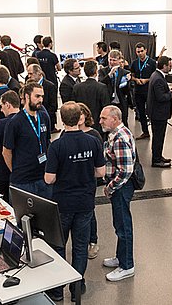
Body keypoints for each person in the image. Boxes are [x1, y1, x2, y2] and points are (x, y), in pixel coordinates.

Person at [45, 102, 106, 302]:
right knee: (80, 247)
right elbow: (101, 172)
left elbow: (49, 179)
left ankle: (56, 290)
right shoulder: (93, 141)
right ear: (80, 117)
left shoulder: (57, 145)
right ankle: (77, 288)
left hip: (62, 204)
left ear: (62, 120)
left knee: (59, 246)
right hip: (85, 202)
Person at [99, 106, 136, 282]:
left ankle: (127, 266)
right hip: (118, 186)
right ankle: (121, 257)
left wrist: (110, 187)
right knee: (119, 224)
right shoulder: (115, 133)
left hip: (121, 188)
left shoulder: (120, 138)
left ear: (115, 118)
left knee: (123, 227)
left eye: (103, 118)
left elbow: (126, 170)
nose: (100, 121)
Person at [3, 82, 52, 199]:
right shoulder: (15, 122)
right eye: (37, 96)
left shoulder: (44, 117)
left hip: (43, 177)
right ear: (26, 96)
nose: (40, 100)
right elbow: (6, 152)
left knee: (46, 215)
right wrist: (16, 171)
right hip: (23, 181)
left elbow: (47, 142)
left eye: (42, 96)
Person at [76, 102, 104, 260]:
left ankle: (93, 241)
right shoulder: (67, 134)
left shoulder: (94, 135)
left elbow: (99, 160)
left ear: (86, 116)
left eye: (82, 114)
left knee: (89, 211)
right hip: (72, 181)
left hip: (88, 180)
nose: (79, 117)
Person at [147, 55, 172, 168]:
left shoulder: (156, 75)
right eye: (169, 66)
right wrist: (171, 93)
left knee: (158, 137)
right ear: (164, 66)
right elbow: (161, 97)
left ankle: (158, 156)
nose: (171, 68)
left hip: (156, 113)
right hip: (158, 114)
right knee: (158, 137)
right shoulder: (158, 78)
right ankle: (156, 160)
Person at [73, 60, 111, 134]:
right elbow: (106, 106)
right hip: (98, 124)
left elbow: (74, 105)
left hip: (81, 124)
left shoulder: (77, 87)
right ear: (96, 72)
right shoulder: (102, 87)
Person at [129, 43, 157, 140]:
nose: (140, 53)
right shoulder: (134, 63)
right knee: (141, 113)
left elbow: (155, 77)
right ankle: (145, 132)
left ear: (145, 50)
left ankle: (154, 132)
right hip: (138, 91)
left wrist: (146, 80)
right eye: (138, 52)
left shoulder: (152, 63)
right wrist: (136, 80)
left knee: (151, 112)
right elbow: (131, 76)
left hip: (149, 91)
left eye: (141, 51)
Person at [98, 50, 131, 127]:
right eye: (110, 60)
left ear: (120, 60)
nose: (112, 62)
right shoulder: (102, 71)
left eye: (114, 60)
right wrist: (109, 75)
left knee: (122, 122)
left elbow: (127, 91)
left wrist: (128, 81)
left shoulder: (125, 72)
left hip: (121, 102)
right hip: (108, 102)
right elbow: (101, 84)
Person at [27, 64, 59, 133]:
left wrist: (42, 117)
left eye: (31, 74)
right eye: (28, 74)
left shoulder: (50, 86)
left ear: (39, 73)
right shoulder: (28, 84)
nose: (29, 76)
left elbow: (53, 106)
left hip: (46, 122)